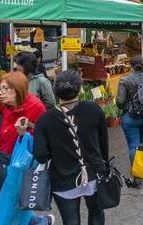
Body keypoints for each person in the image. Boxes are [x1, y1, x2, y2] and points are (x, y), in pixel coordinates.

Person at [33, 70, 108, 225]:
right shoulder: (94, 109)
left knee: (71, 221)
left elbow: (40, 155)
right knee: (96, 214)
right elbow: (103, 145)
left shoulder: (44, 120)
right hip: (94, 174)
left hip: (63, 179)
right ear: (79, 88)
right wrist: (103, 166)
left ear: (55, 90)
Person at [0, 71, 52, 224]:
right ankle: (41, 222)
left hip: (18, 167)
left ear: (18, 89)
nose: (0, 93)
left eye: (5, 89)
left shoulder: (35, 107)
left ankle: (40, 222)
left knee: (14, 205)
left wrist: (24, 134)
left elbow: (44, 138)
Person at [116, 55, 143, 188]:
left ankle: (137, 178)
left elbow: (119, 101)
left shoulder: (125, 80)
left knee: (133, 146)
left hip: (130, 117)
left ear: (130, 65)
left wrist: (126, 107)